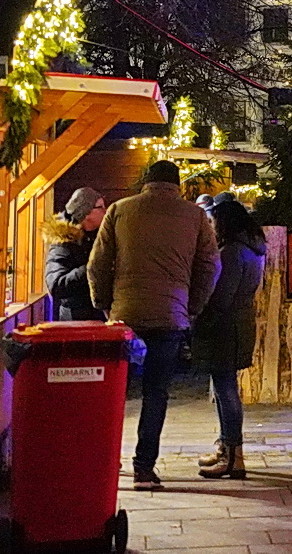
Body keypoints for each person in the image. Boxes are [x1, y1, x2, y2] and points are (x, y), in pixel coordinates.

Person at [88, 160, 221, 490]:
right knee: (156, 393)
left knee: (115, 393)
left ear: (146, 182)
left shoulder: (120, 210)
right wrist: (191, 307)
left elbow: (97, 264)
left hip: (125, 315)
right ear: (177, 185)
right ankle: (144, 469)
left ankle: (105, 462)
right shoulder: (195, 216)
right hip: (170, 316)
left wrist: (105, 305)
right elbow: (210, 266)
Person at [191, 195, 266, 480]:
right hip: (237, 324)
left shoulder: (232, 252)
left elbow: (221, 295)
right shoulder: (252, 249)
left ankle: (233, 455)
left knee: (225, 390)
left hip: (224, 327)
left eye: (213, 221)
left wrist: (198, 312)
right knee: (225, 387)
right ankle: (227, 447)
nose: (210, 226)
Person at [43, 186, 106, 321]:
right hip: (75, 321)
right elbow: (56, 286)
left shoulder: (95, 237)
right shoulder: (64, 243)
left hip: (95, 317)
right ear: (86, 212)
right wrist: (91, 268)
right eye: (100, 207)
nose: (105, 211)